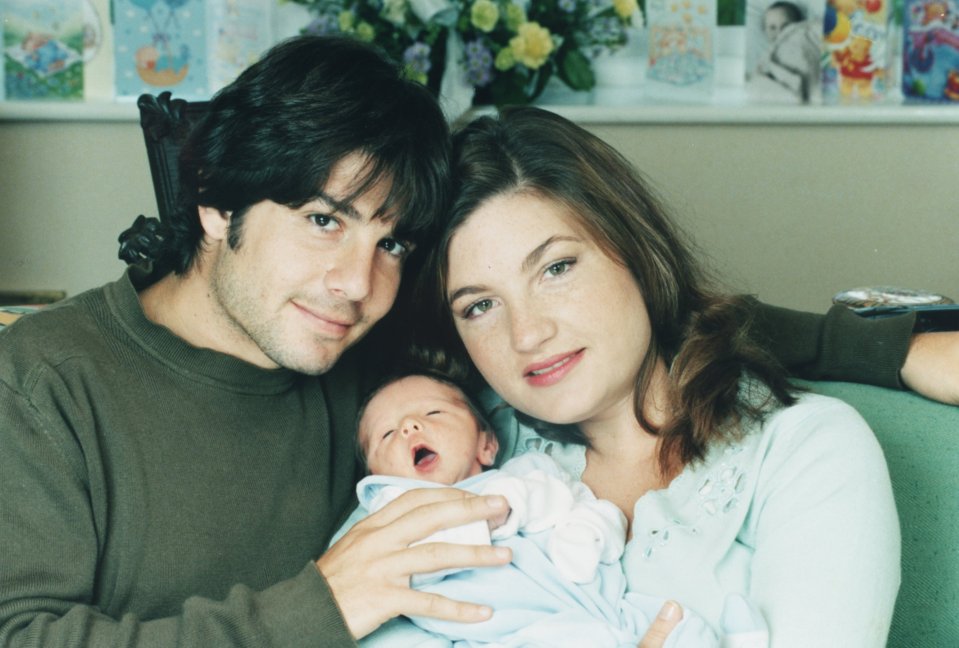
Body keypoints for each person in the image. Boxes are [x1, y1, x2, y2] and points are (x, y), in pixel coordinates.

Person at [0, 32, 955, 647]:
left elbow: (623, 319)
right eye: (324, 221)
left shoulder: (387, 376)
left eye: (390, 246)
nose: (355, 285)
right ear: (211, 202)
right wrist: (324, 605)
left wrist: (877, 345)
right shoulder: (46, 382)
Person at [411, 106, 902, 646]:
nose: (527, 335)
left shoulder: (808, 449)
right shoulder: (455, 445)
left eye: (556, 269)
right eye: (480, 305)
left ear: (636, 252)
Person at [351, 371, 770, 647]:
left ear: (486, 444)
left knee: (674, 621)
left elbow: (590, 505)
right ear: (375, 475)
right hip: (518, 634)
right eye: (387, 434)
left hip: (602, 604)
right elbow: (405, 567)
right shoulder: (390, 517)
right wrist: (492, 514)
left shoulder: (530, 471)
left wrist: (591, 529)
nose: (409, 427)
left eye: (432, 412)